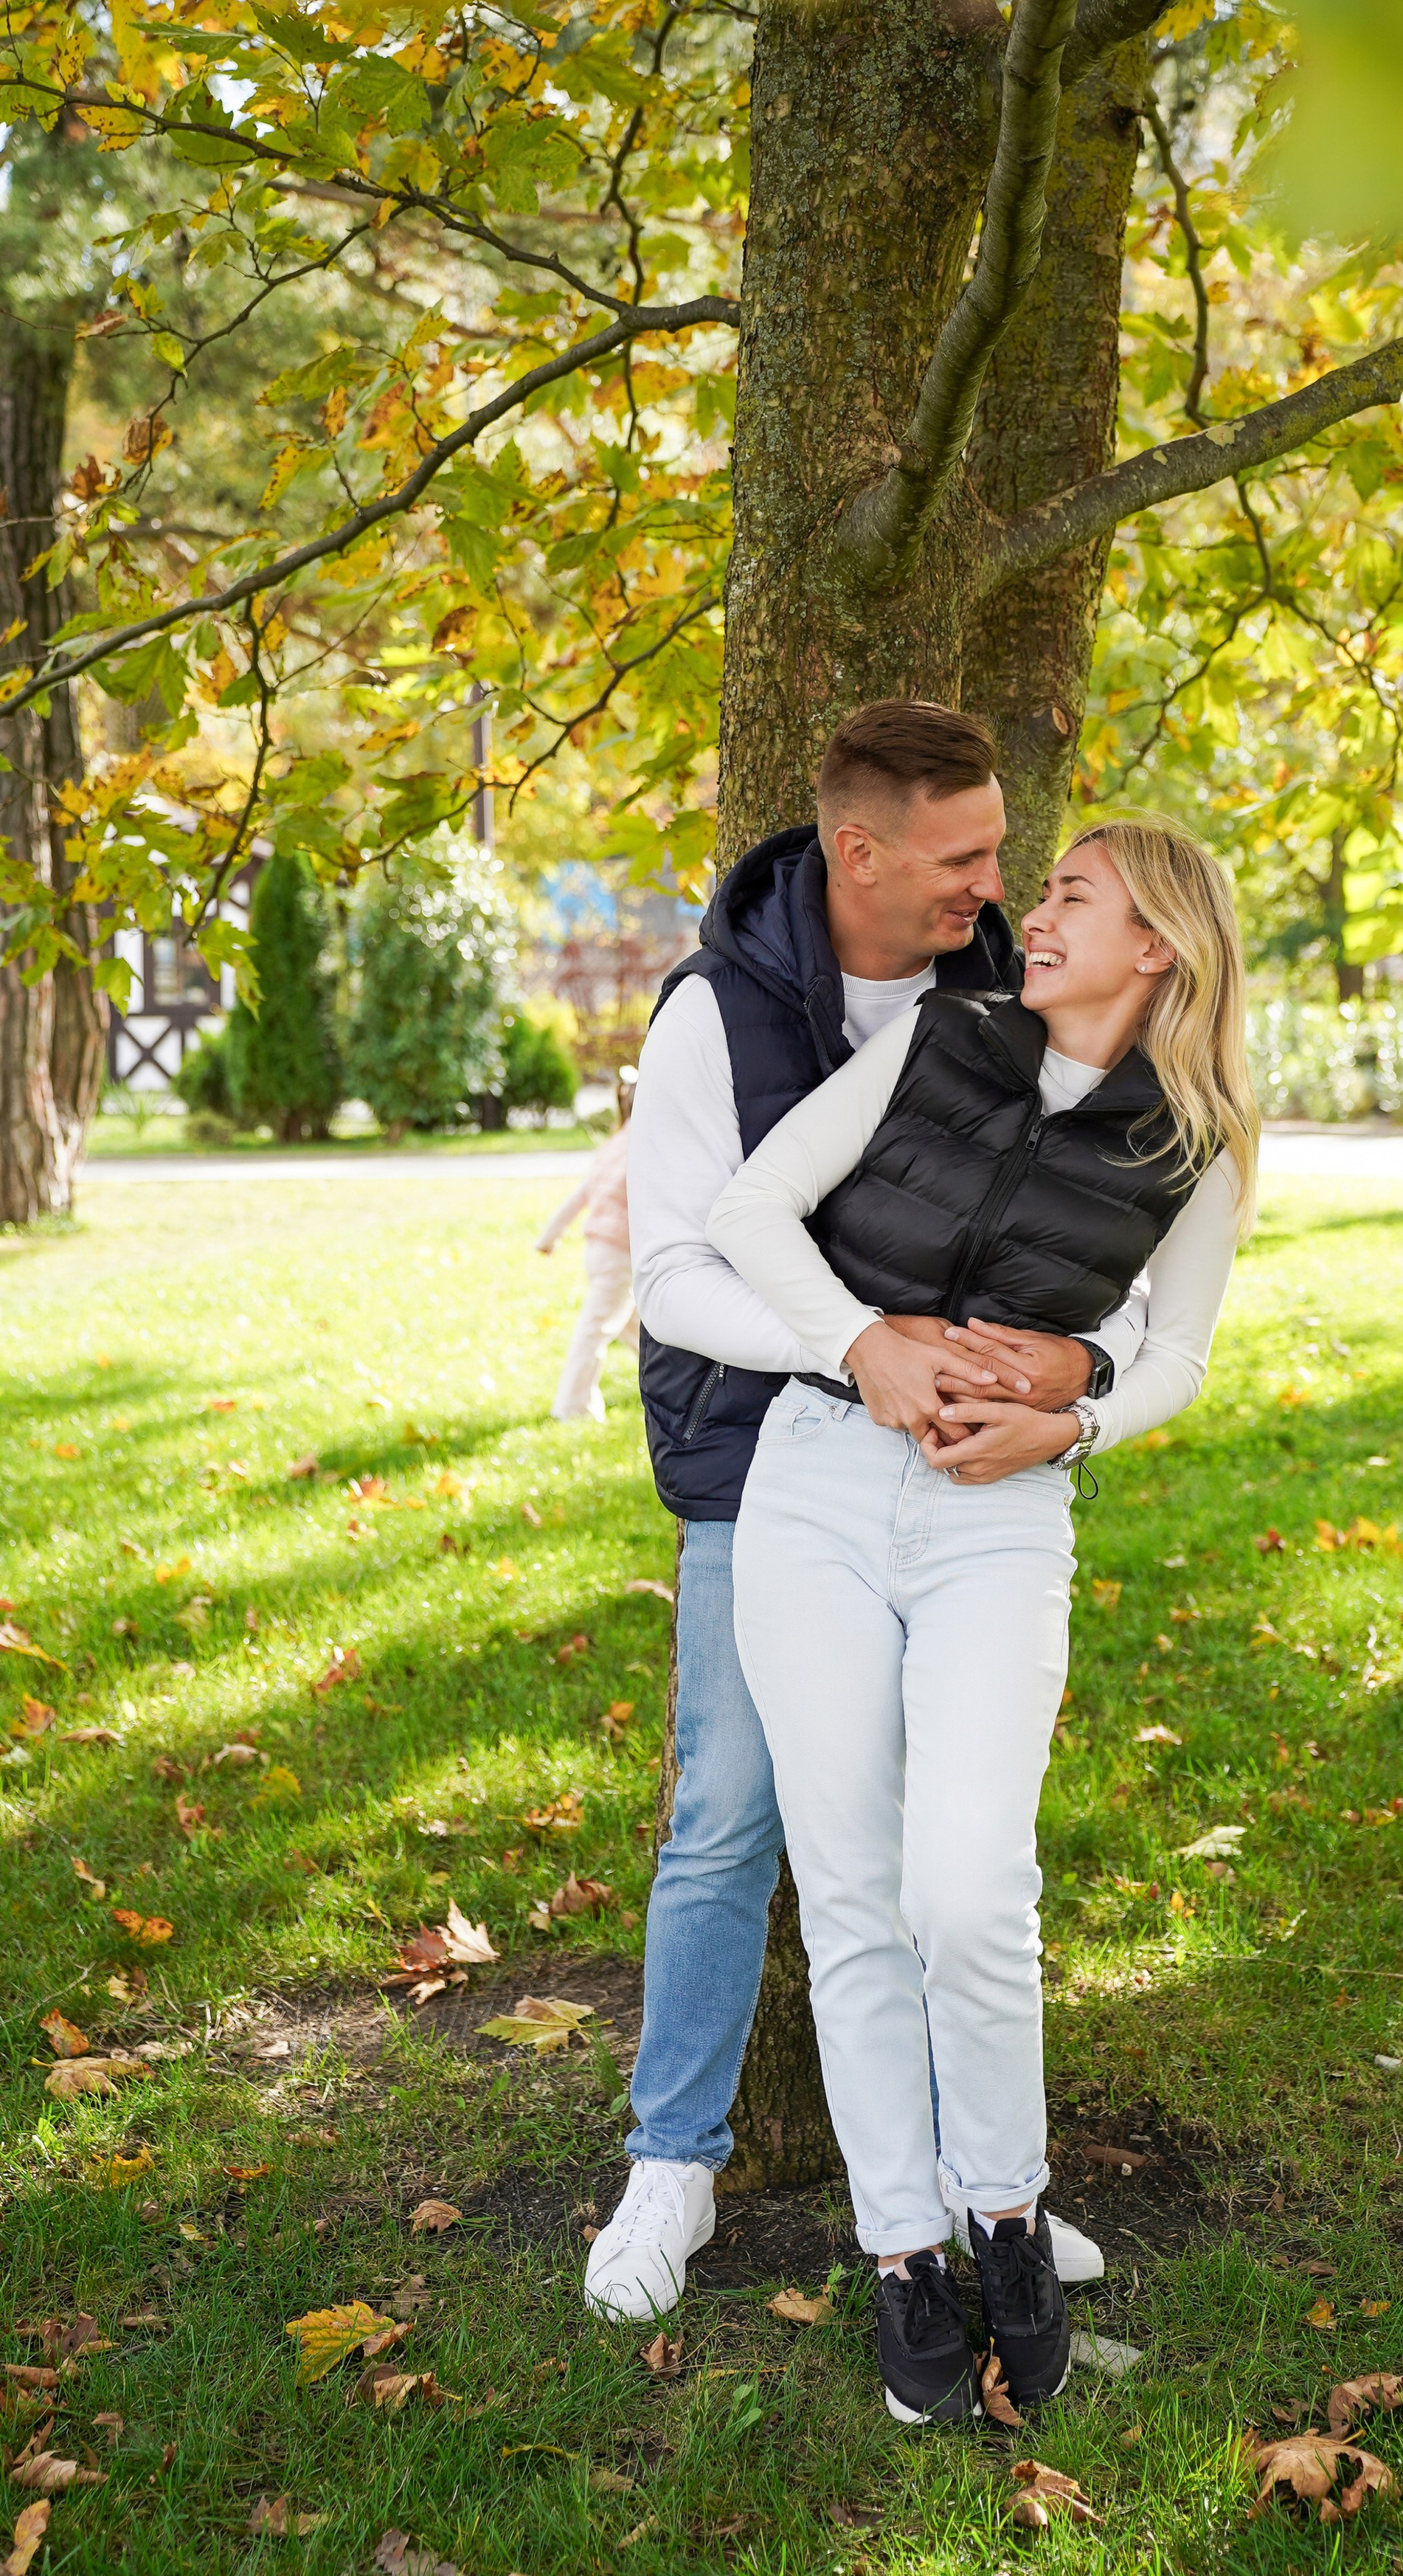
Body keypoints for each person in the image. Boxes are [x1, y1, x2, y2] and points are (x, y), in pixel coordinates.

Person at [583, 703, 1143, 2327]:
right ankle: (673, 2159)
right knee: (733, 1813)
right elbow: (677, 1269)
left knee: (944, 1849)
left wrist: (1067, 1377)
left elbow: (1091, 1207)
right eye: (965, 856)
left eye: (1003, 853)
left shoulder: (998, 987)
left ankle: (987, 2195)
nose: (997, 884)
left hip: (953, 1473)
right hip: (755, 1446)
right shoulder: (721, 1015)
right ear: (860, 850)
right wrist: (853, 1349)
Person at [703, 817, 1258, 2425]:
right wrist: (864, 1345)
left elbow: (1175, 1357)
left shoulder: (1196, 1144)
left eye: (1070, 895)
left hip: (994, 1524)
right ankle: (899, 2254)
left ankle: (1003, 2218)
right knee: (857, 1893)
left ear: (1153, 943)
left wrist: (1068, 1416)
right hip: (813, 1483)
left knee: (967, 1883)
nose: (1032, 915)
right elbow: (751, 1215)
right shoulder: (939, 1043)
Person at [537, 1069, 637, 1423]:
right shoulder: (646, 1146)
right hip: (622, 1253)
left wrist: (550, 1236)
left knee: (637, 1327)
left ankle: (668, 1383)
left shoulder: (614, 1145)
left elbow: (582, 1194)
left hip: (598, 1250)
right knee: (595, 1329)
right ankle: (573, 1406)